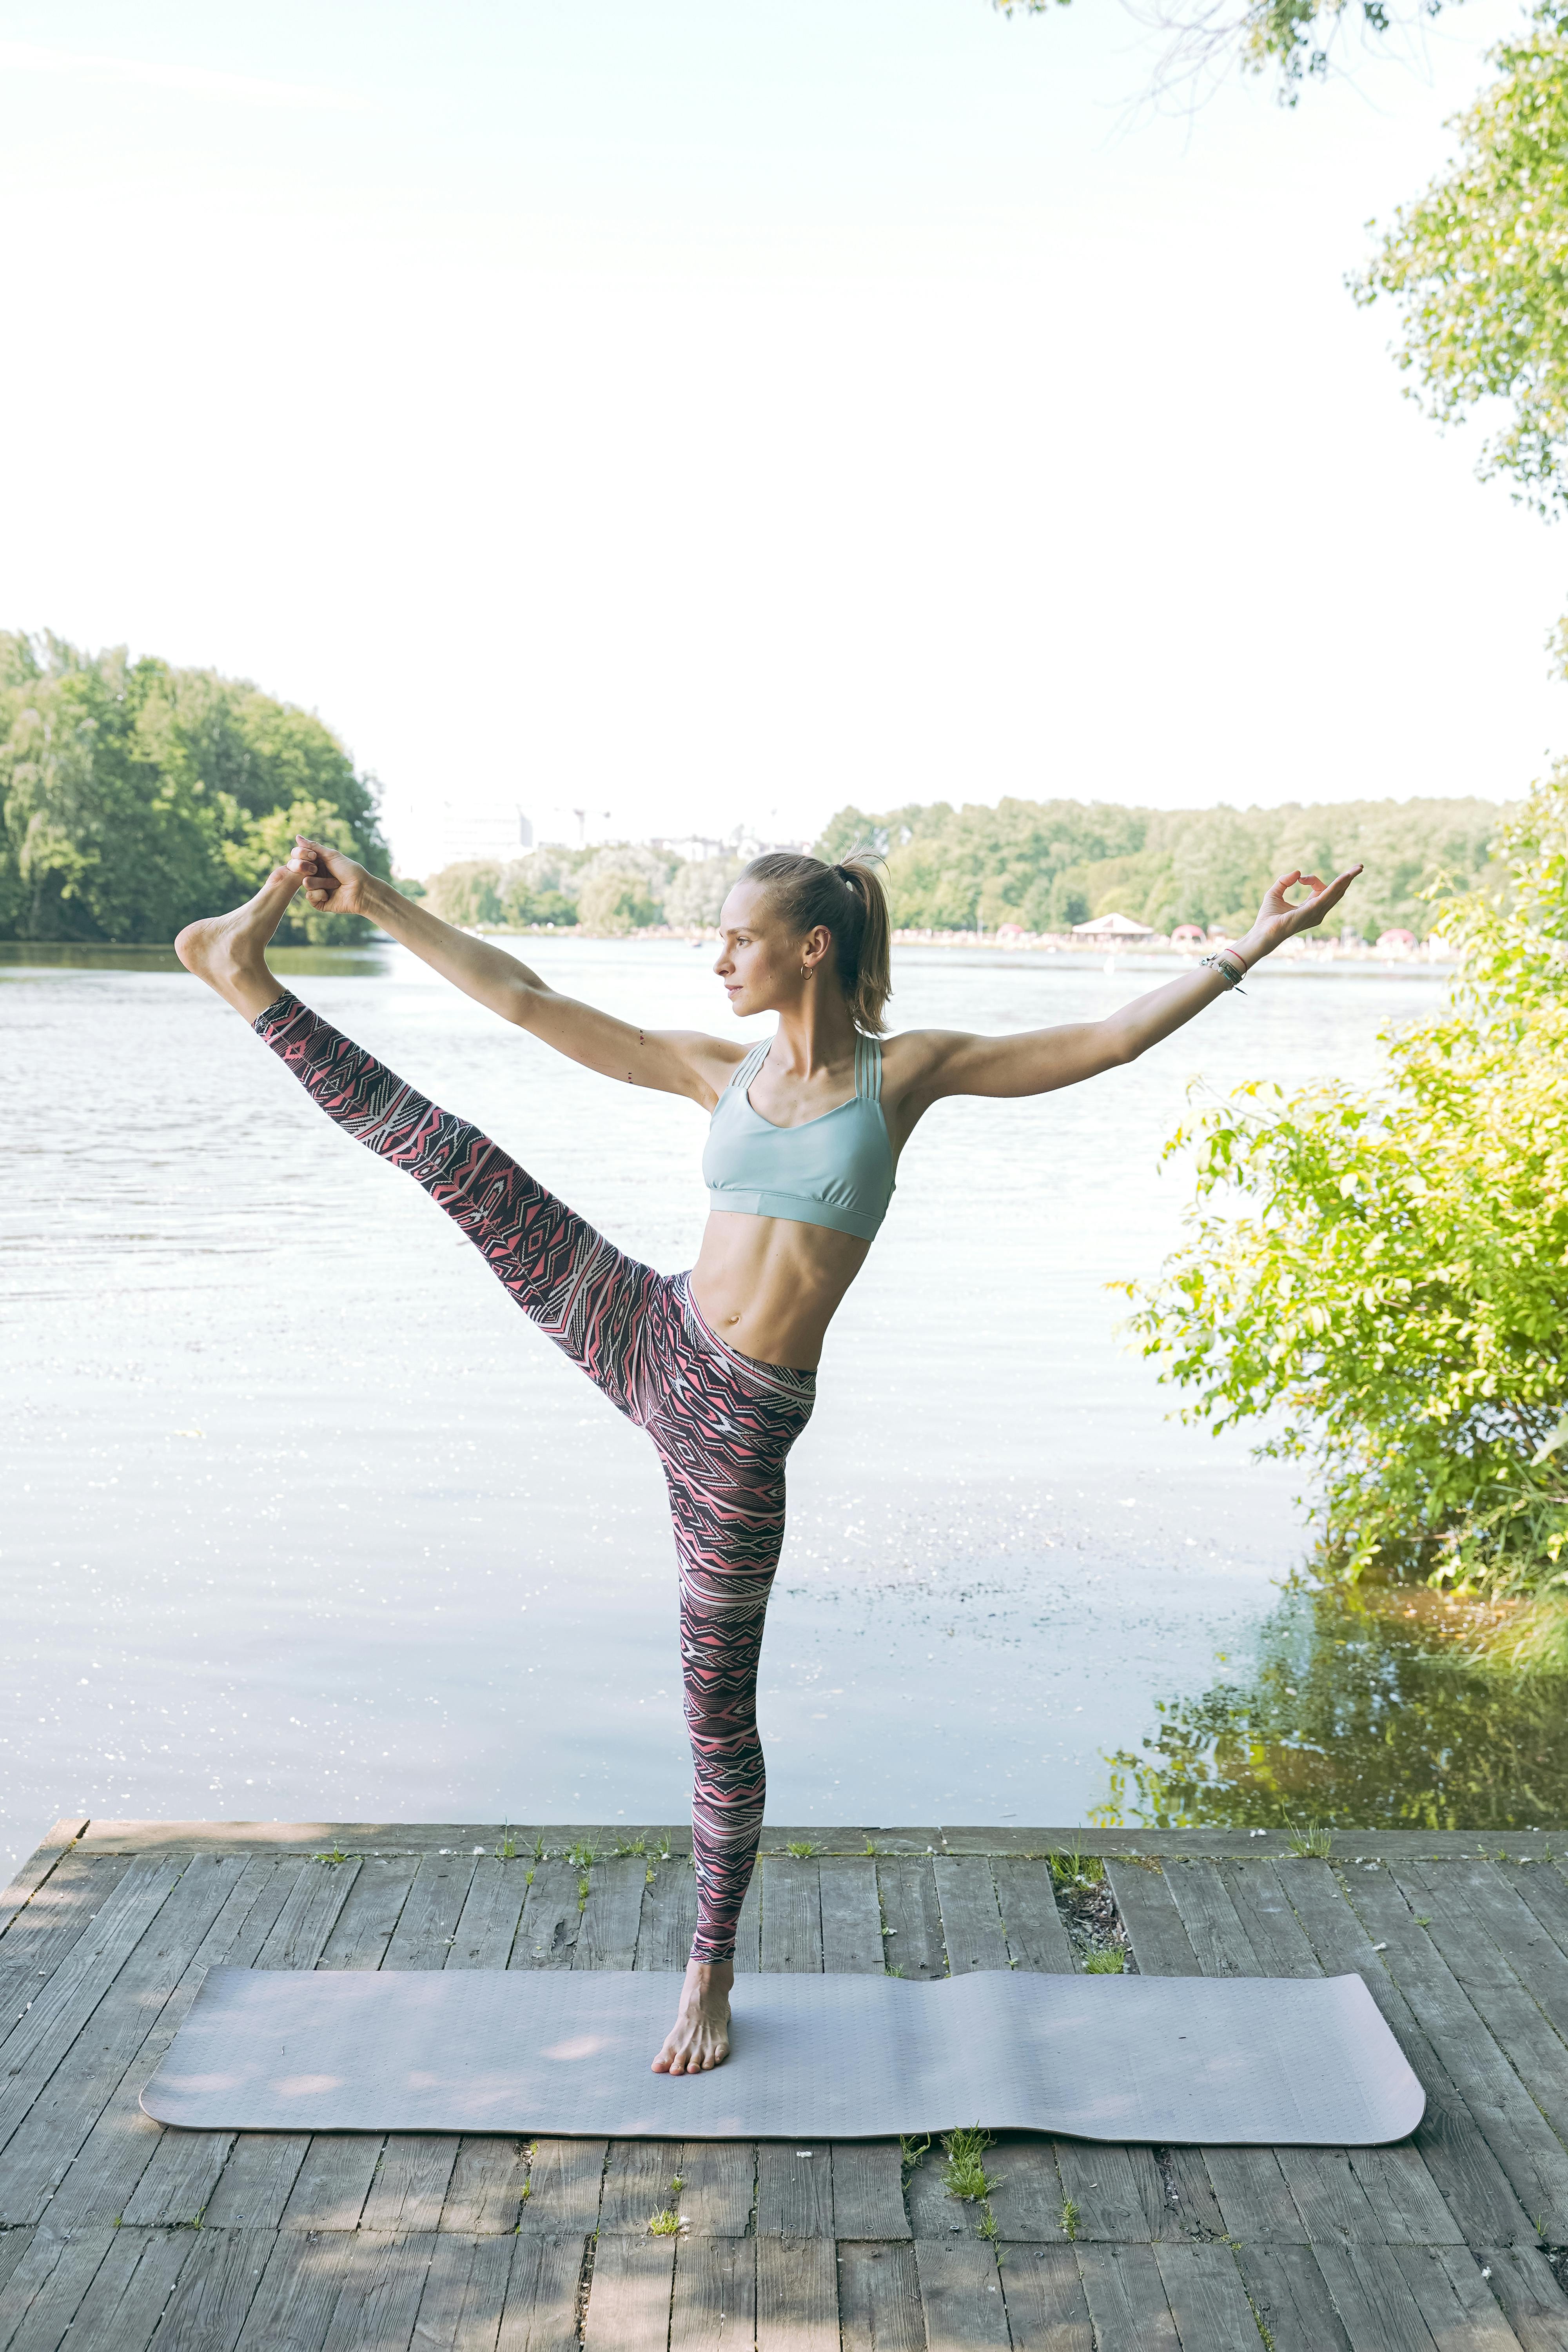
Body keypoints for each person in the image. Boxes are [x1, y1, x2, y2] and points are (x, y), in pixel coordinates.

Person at [175, 838, 1360, 2072]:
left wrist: (1255, 942)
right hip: (649, 1327)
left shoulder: (905, 1077)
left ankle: (711, 1969)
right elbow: (524, 998)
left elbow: (1106, 1040)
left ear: (812, 948)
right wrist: (373, 900)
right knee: (455, 1158)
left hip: (739, 1432)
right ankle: (242, 973)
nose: (720, 958)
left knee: (716, 1710)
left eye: (740, 937)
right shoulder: (717, 1070)